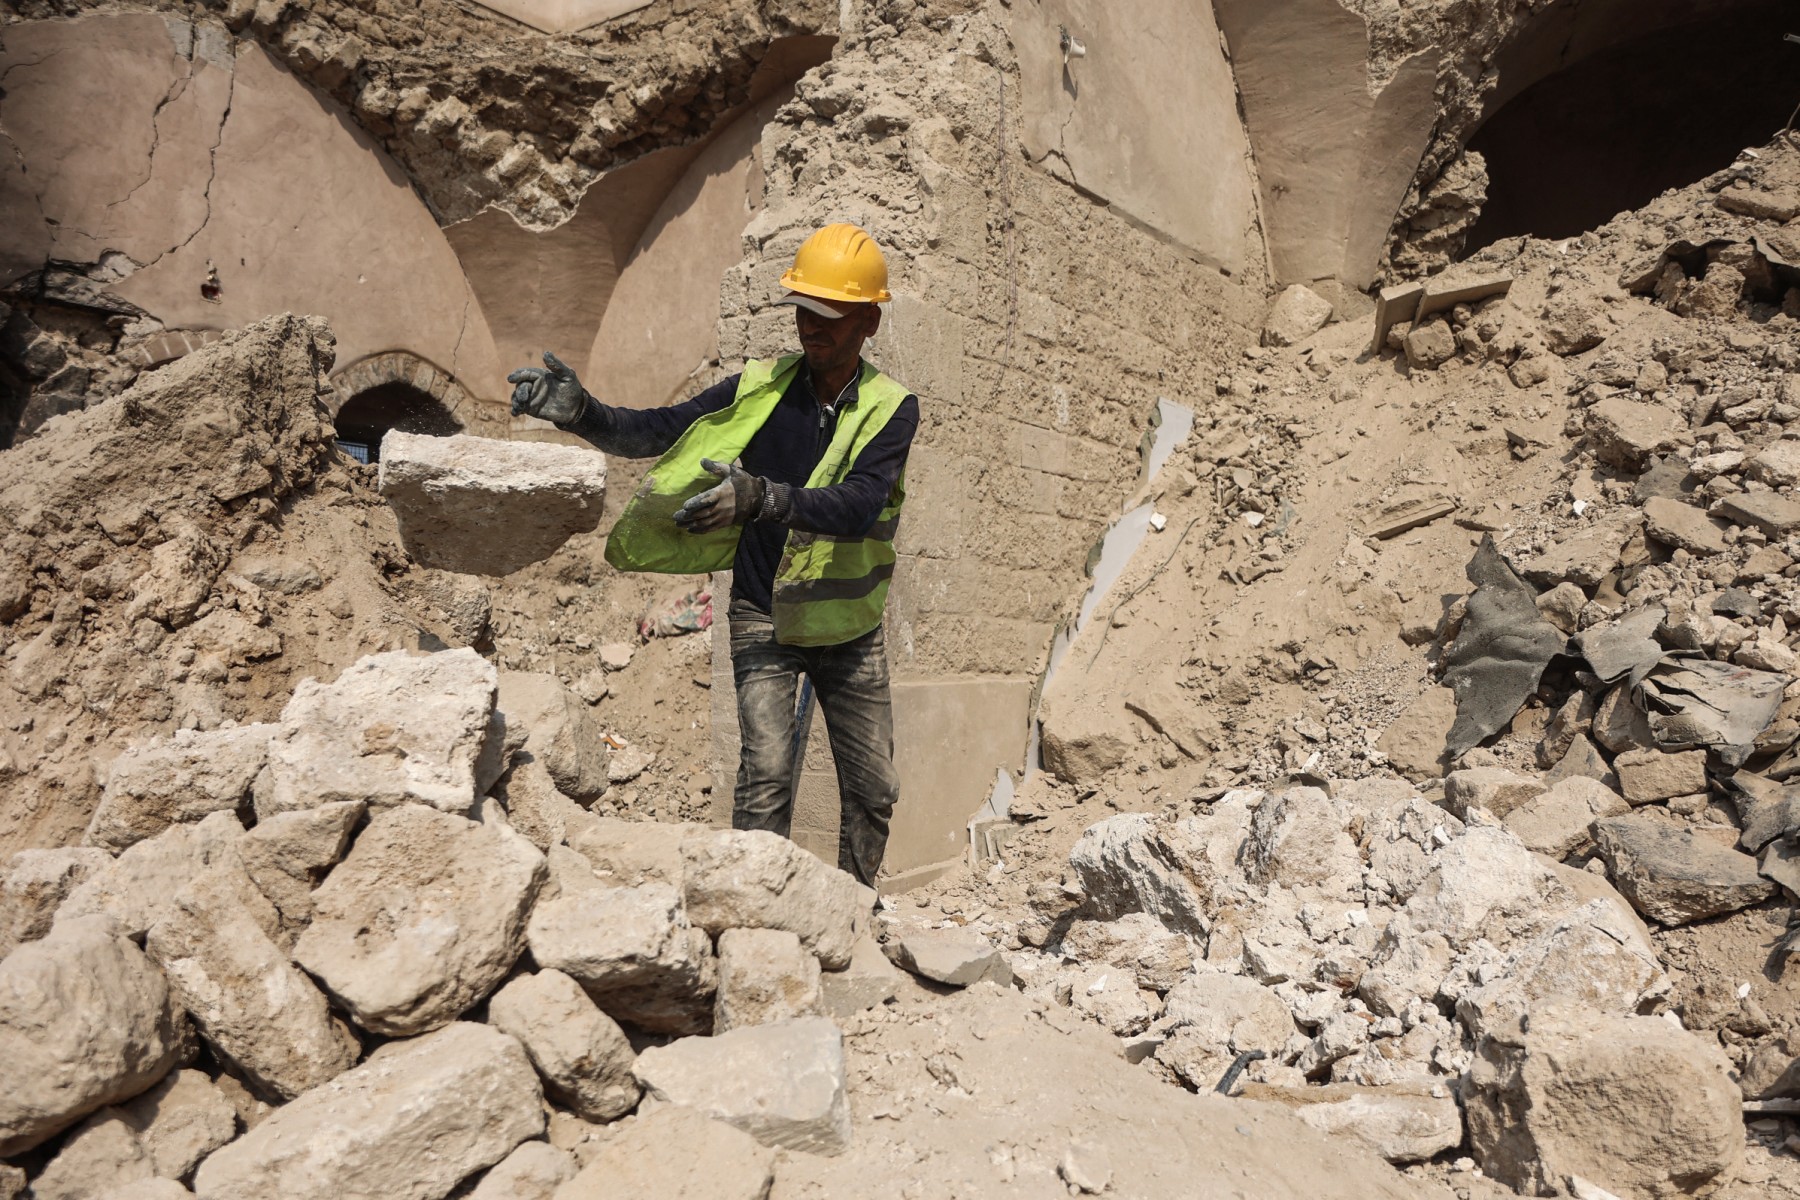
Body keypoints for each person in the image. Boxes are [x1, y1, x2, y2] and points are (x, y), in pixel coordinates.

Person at [506, 223, 918, 887]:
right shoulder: (758, 387)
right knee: (765, 776)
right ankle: (757, 911)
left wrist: (762, 498)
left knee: (874, 789)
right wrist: (584, 413)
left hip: (849, 629)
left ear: (868, 322)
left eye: (831, 317)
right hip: (762, 614)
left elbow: (859, 504)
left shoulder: (891, 409)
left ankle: (859, 910)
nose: (813, 328)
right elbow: (657, 431)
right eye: (804, 312)